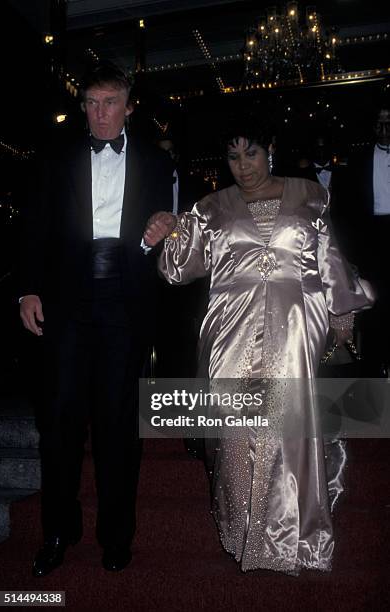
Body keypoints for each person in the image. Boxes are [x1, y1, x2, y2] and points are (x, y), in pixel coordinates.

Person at [143, 120, 374, 575]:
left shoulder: (309, 193)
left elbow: (328, 254)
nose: (242, 166)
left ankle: (297, 537)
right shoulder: (210, 206)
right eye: (232, 157)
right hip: (230, 324)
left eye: (251, 153)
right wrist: (170, 229)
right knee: (235, 428)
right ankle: (243, 533)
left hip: (295, 321)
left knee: (289, 426)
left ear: (271, 149)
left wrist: (342, 306)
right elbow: (177, 270)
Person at [18, 61, 173, 576]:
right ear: (82, 105)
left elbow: (174, 227)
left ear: (129, 106)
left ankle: (116, 536)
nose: (99, 113)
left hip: (126, 302)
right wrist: (29, 289)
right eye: (91, 102)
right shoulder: (57, 155)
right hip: (66, 298)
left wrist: (168, 223)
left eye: (110, 102)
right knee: (59, 423)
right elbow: (35, 225)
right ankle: (59, 531)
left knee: (117, 426)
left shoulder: (155, 160)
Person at [347, 100, 390, 376]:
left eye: (389, 122)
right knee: (375, 306)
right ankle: (374, 374)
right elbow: (350, 213)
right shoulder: (359, 161)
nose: (384, 129)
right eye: (379, 123)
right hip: (373, 239)